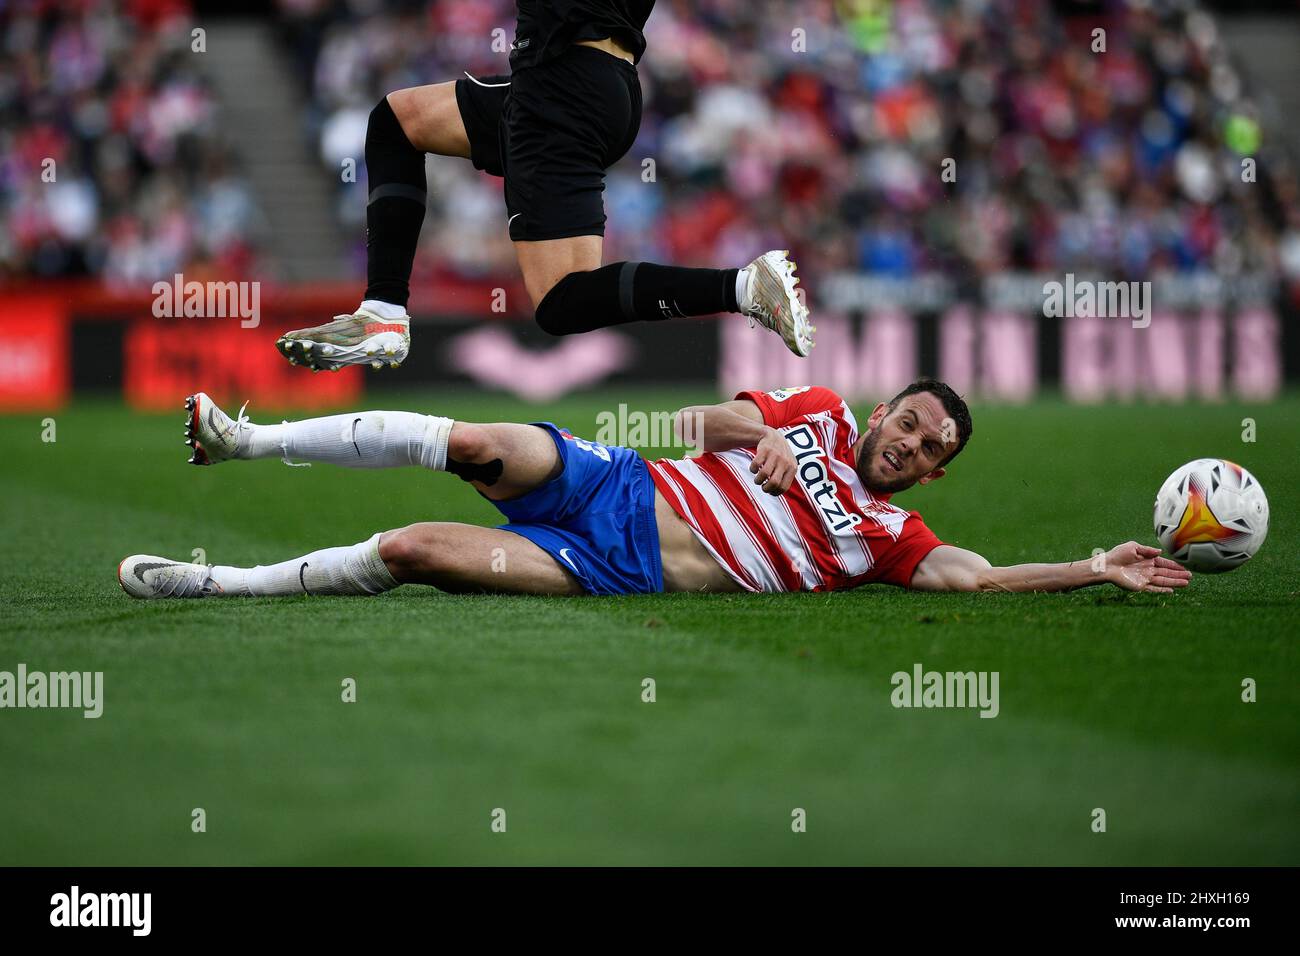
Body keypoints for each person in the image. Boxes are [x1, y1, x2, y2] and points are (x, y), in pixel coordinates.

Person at [119, 381, 1192, 599]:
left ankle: (212, 585)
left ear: (935, 468)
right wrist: (765, 433)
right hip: (620, 473)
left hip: (609, 563)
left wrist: (1094, 564)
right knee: (477, 436)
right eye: (907, 418)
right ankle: (244, 437)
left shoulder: (890, 536)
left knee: (411, 550)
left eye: (930, 443)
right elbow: (697, 422)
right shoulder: (814, 407)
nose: (910, 441)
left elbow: (980, 578)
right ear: (880, 411)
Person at [273, 0, 813, 373]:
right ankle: (383, 313)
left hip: (561, 86)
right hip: (592, 83)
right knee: (397, 122)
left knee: (562, 301)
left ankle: (743, 288)